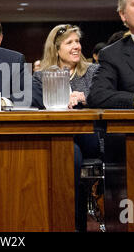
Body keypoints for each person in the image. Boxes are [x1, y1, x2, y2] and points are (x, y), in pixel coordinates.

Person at [36, 24, 100, 232]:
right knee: (69, 152)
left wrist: (84, 97)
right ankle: (70, 224)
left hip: (90, 135)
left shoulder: (93, 72)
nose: (76, 47)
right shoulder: (41, 76)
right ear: (56, 49)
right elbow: (35, 103)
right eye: (69, 42)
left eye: (78, 42)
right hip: (60, 139)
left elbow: (105, 96)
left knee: (69, 148)